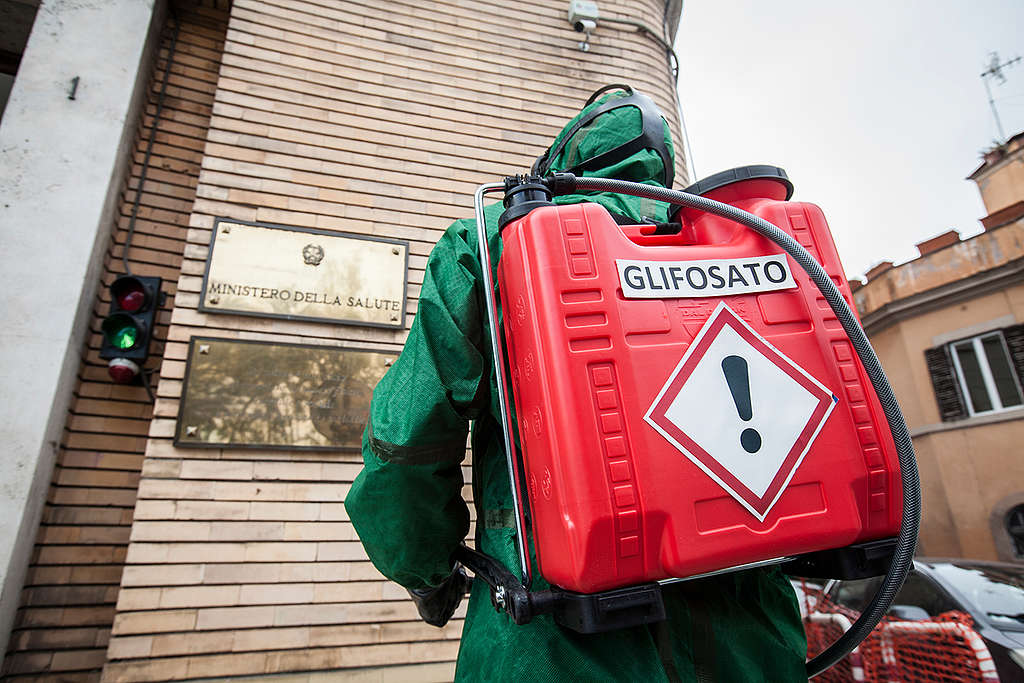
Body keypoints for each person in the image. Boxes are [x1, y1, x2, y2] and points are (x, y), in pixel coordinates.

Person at [345, 85, 808, 681]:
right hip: (751, 643)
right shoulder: (744, 247)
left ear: (562, 161)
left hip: (556, 642)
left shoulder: (492, 243)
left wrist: (426, 573)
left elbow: (404, 443)